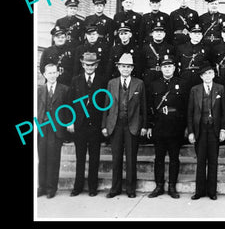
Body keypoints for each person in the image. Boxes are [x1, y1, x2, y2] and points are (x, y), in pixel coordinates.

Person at [101, 53, 147, 198]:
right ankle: (115, 189)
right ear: (119, 67)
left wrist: (144, 125)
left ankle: (130, 189)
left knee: (131, 159)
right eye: (123, 66)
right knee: (116, 158)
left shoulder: (139, 83)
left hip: (131, 125)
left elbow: (143, 106)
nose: (125, 69)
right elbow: (106, 106)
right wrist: (104, 125)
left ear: (132, 68)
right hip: (115, 124)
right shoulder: (111, 83)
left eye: (128, 67)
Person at [146, 55, 188, 199]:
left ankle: (172, 186)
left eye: (170, 66)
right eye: (165, 66)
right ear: (161, 68)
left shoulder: (182, 83)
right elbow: (149, 107)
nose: (167, 69)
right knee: (159, 158)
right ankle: (159, 186)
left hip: (175, 126)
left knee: (174, 158)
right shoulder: (154, 84)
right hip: (159, 126)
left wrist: (185, 127)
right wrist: (149, 126)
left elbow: (186, 106)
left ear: (174, 68)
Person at [68, 52, 107, 197]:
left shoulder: (102, 81)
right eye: (87, 64)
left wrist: (103, 124)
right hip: (80, 125)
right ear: (83, 65)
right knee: (80, 157)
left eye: (92, 65)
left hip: (95, 125)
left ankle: (92, 187)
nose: (89, 67)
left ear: (96, 65)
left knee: (94, 158)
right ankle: (77, 187)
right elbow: (69, 103)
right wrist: (71, 121)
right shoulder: (76, 80)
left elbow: (105, 104)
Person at [188, 64, 225, 200]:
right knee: (200, 161)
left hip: (214, 130)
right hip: (200, 129)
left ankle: (212, 192)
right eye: (205, 74)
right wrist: (191, 132)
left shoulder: (220, 89)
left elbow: (224, 112)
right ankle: (199, 191)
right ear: (201, 76)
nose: (208, 76)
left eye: (210, 73)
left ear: (214, 74)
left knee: (213, 161)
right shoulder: (195, 90)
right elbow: (190, 112)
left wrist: (223, 129)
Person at [37, 63, 69, 198]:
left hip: (56, 129)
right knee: (42, 158)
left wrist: (67, 125)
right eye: (49, 73)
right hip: (42, 127)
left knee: (54, 159)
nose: (51, 75)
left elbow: (67, 111)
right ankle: (42, 187)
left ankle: (51, 188)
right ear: (44, 75)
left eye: (54, 72)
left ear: (58, 73)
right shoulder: (39, 90)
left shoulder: (65, 90)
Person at [175, 24, 211, 90]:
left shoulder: (206, 49)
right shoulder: (181, 48)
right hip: (185, 78)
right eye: (195, 33)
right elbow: (177, 64)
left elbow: (209, 65)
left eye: (199, 34)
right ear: (190, 35)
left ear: (202, 36)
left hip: (200, 78)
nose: (197, 35)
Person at [139, 22, 174, 87]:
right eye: (156, 32)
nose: (159, 34)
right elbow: (142, 65)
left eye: (161, 32)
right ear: (152, 34)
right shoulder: (145, 48)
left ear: (164, 34)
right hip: (149, 76)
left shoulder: (170, 48)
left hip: (163, 75)